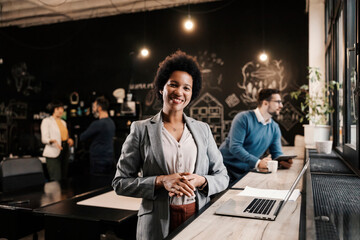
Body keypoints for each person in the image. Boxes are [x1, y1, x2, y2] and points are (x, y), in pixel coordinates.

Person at [112, 50, 229, 240]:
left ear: (192, 92)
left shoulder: (203, 130)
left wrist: (202, 181)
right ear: (161, 88)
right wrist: (161, 181)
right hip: (156, 222)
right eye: (173, 85)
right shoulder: (140, 129)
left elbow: (223, 176)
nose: (179, 92)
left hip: (198, 215)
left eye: (186, 88)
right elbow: (120, 183)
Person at [219, 88, 293, 184]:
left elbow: (276, 153)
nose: (281, 106)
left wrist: (283, 162)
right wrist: (258, 162)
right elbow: (235, 147)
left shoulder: (274, 127)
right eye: (278, 102)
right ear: (265, 103)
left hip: (247, 172)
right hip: (225, 170)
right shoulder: (243, 118)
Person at [80, 96, 116, 175]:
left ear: (99, 108)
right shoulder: (111, 122)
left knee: (97, 183)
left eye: (94, 106)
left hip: (98, 159)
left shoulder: (98, 124)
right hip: (109, 157)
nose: (93, 109)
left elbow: (82, 137)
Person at [41, 100, 74, 181]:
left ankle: (63, 194)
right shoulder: (47, 121)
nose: (60, 110)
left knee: (64, 178)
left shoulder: (63, 122)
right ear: (53, 109)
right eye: (57, 108)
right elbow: (44, 139)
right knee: (56, 178)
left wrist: (69, 140)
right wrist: (53, 141)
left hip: (64, 150)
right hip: (53, 151)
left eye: (62, 108)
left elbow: (64, 136)